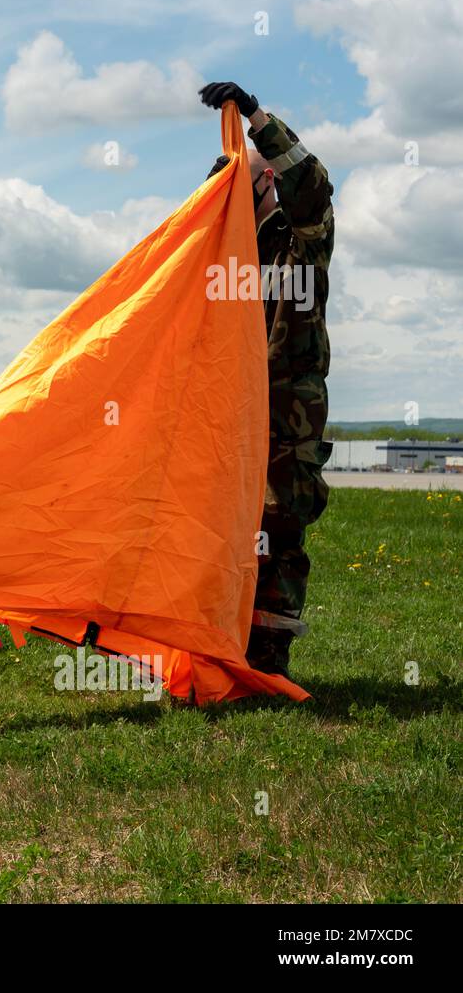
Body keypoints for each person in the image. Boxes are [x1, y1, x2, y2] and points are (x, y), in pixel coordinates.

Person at [201, 81, 335, 678]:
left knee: (278, 527)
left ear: (268, 184)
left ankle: (269, 656)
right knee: (221, 527)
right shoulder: (223, 251)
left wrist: (255, 117)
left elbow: (313, 183)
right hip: (226, 411)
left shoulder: (303, 238)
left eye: (236, 186)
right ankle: (214, 640)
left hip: (288, 412)